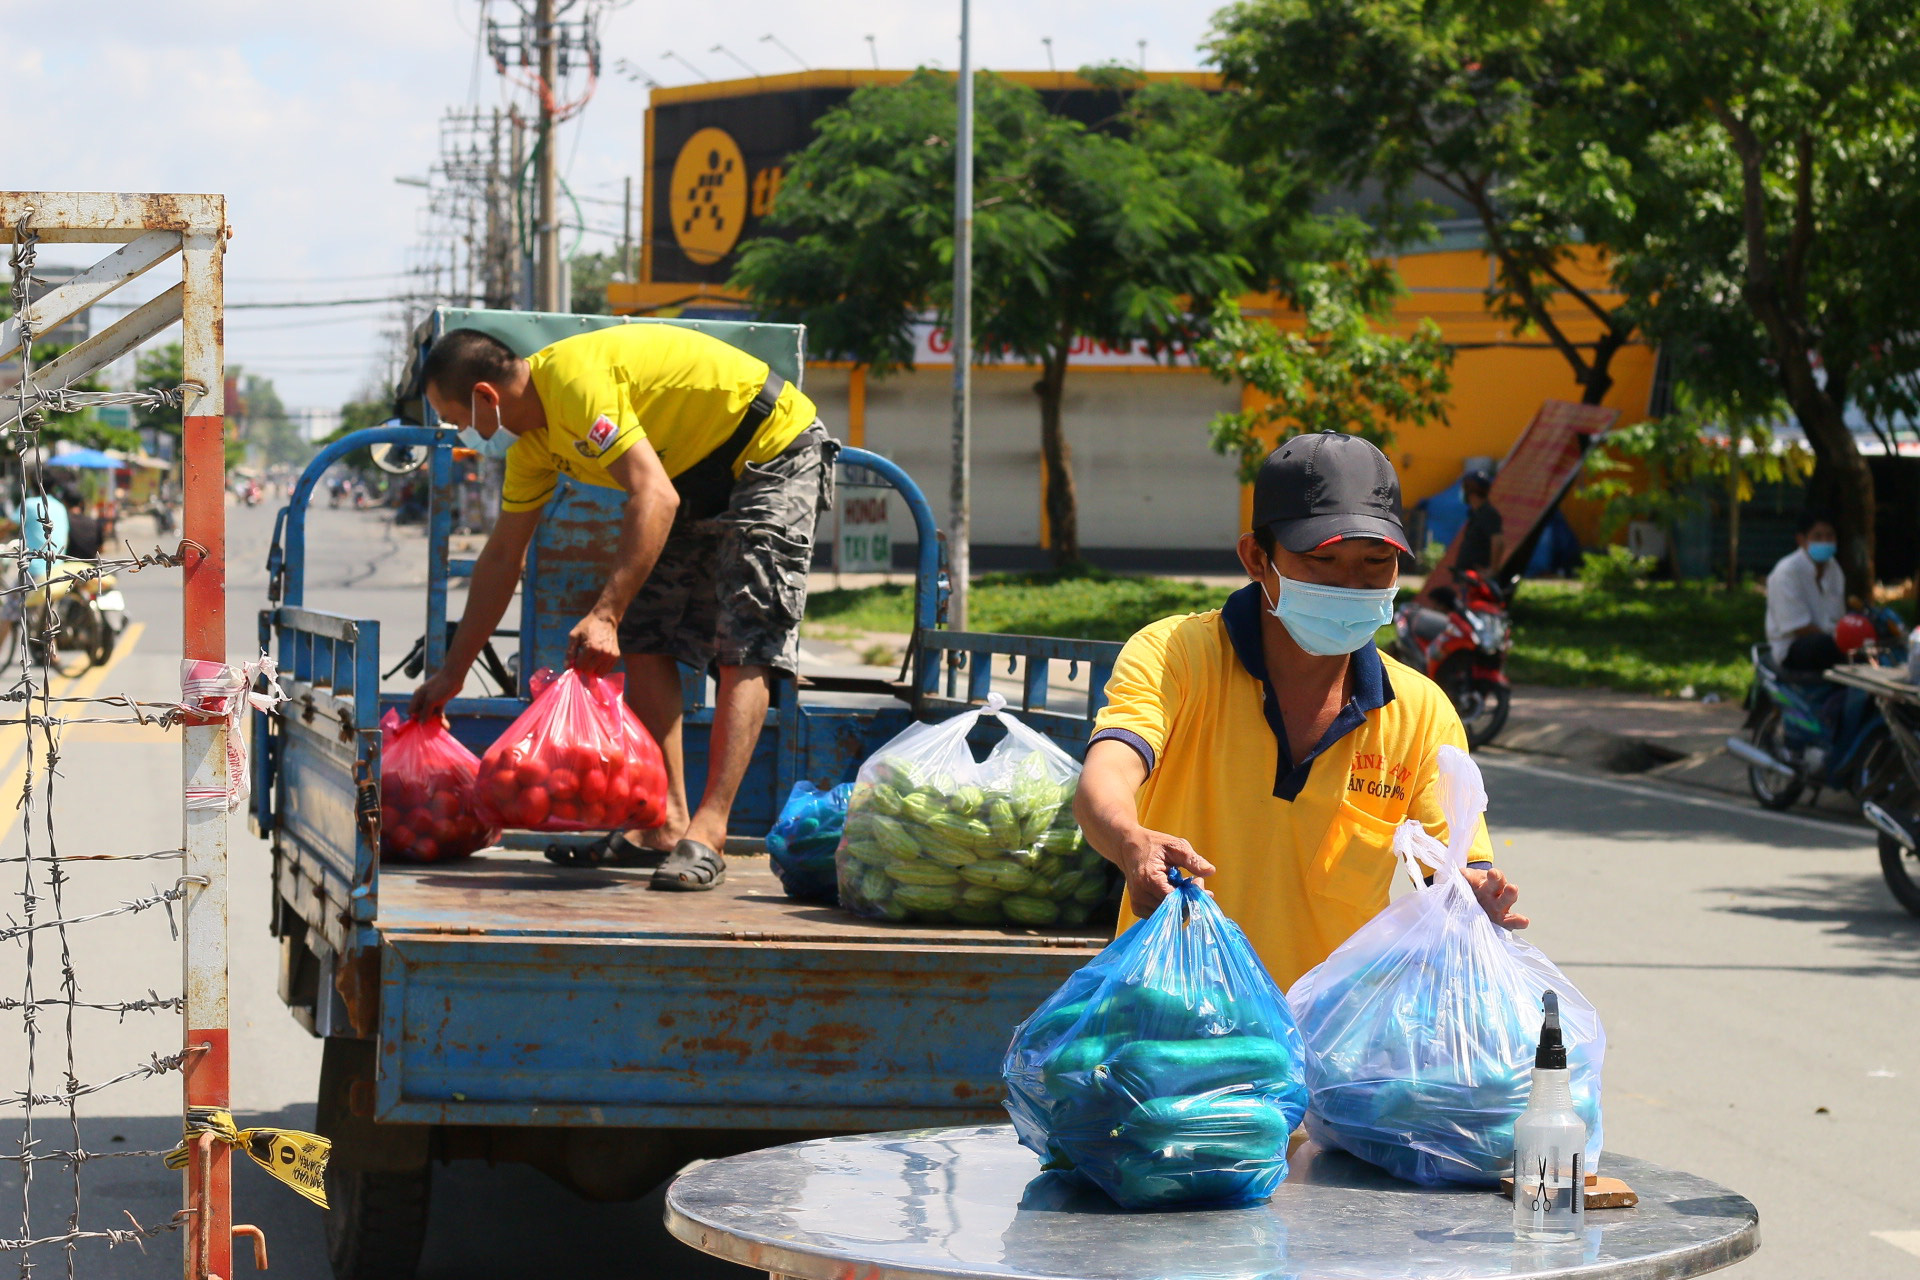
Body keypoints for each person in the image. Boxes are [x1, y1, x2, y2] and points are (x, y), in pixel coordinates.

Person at [1074, 431, 1525, 989]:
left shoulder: (1420, 711)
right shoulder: (1177, 657)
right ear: (1257, 559)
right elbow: (1109, 772)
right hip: (1171, 1022)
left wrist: (1475, 892)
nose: (1351, 584)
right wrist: (1129, 839)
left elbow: (1454, 867)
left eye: (1375, 563)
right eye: (1323, 561)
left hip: (1327, 1045)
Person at [408, 325, 836, 892]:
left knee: (746, 637)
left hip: (771, 448)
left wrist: (603, 612)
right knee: (646, 633)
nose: (461, 432)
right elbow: (502, 557)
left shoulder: (573, 385)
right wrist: (452, 673)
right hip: (692, 473)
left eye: (457, 417)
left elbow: (653, 496)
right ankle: (666, 823)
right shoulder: (533, 445)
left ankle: (709, 832)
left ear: (487, 396)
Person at [1764, 513, 1845, 674]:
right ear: (1801, 540)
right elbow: (1798, 627)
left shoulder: (1834, 568)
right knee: (1823, 646)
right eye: (1818, 536)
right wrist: (1838, 640)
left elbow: (1838, 615)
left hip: (1829, 640)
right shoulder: (1787, 572)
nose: (1825, 541)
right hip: (1792, 647)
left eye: (1829, 536)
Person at [1453, 469, 1505, 575]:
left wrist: (1493, 570)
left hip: (1477, 578)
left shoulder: (1488, 513)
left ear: (1471, 491)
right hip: (1468, 576)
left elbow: (1498, 542)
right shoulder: (1475, 513)